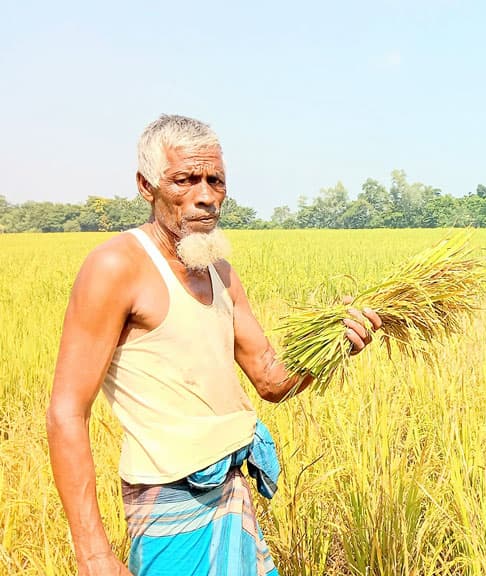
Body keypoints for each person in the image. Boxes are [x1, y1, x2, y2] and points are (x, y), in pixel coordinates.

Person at [46, 114, 382, 576]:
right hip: (170, 504)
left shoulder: (219, 272)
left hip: (230, 490)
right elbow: (66, 411)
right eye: (185, 180)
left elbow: (270, 378)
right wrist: (94, 555)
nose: (205, 196)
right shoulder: (115, 267)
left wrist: (335, 343)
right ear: (147, 186)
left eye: (215, 180)